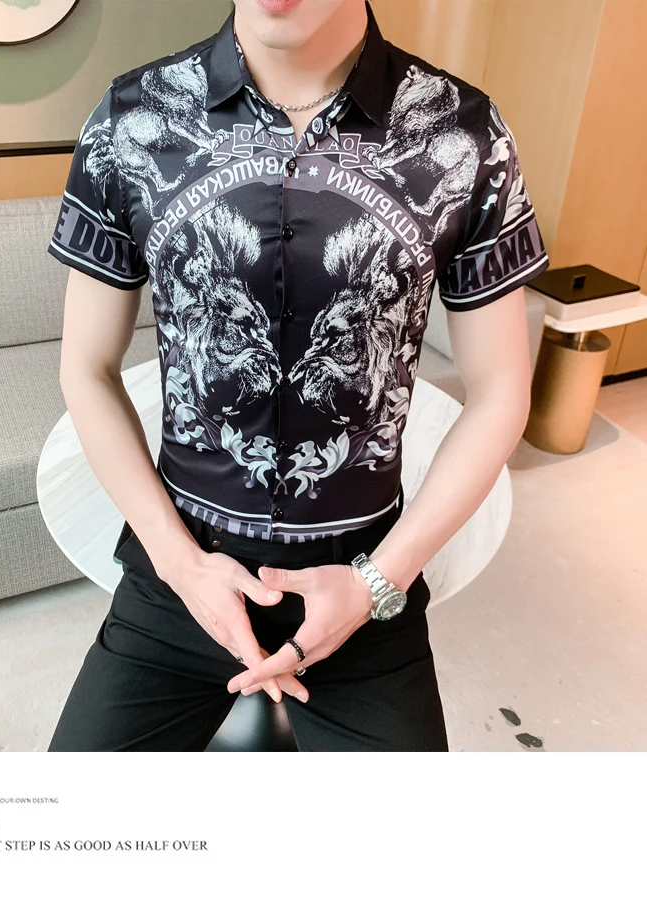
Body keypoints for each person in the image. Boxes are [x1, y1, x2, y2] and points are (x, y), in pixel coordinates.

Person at [46, 0, 549, 751]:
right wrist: (180, 566)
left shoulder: (464, 136)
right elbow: (85, 368)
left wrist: (377, 583)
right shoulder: (132, 120)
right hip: (179, 574)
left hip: (365, 578)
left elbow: (503, 390)